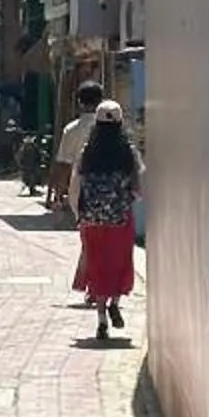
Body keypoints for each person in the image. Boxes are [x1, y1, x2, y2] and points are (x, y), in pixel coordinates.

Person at [72, 99, 140, 343]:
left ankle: (101, 318)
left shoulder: (87, 153)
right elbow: (137, 189)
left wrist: (78, 213)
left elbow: (77, 186)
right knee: (120, 262)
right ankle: (115, 302)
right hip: (121, 218)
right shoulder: (128, 153)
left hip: (93, 220)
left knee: (98, 266)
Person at [48, 78, 102, 218]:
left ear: (79, 102)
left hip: (80, 190)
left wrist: (58, 195)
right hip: (111, 190)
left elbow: (65, 165)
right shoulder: (114, 129)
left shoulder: (71, 130)